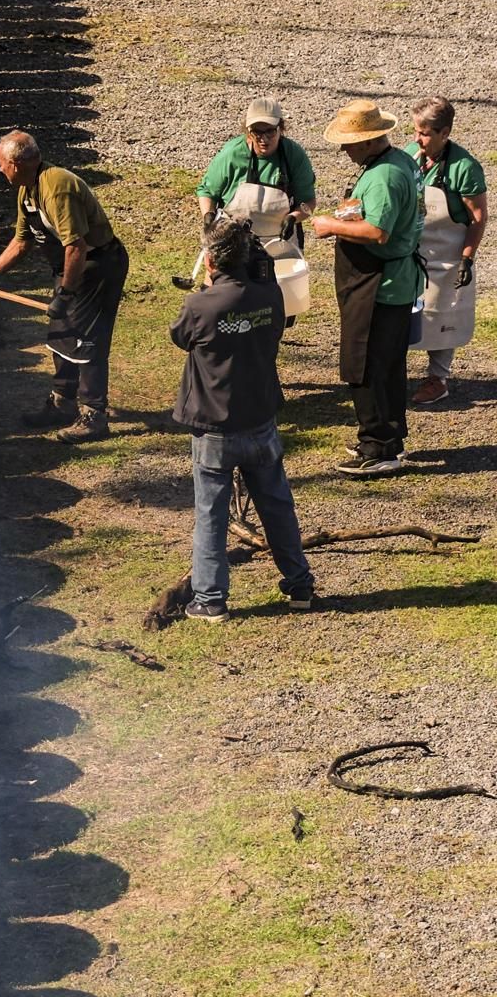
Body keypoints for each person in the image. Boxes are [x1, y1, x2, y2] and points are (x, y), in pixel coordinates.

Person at [170, 217, 314, 623]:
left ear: (211, 260)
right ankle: (299, 583)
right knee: (277, 506)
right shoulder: (272, 296)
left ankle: (210, 598)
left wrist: (208, 293)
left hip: (215, 427)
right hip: (261, 419)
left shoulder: (200, 305)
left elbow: (180, 337)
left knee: (211, 513)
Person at [0, 130, 129, 442]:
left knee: (86, 339)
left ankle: (94, 416)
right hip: (72, 268)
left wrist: (66, 293)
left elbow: (76, 247)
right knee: (61, 334)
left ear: (15, 164)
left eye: (1, 164)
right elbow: (21, 241)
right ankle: (62, 404)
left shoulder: (56, 189)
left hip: (98, 266)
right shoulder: (26, 191)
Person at [310, 100, 423, 478]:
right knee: (388, 364)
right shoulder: (397, 161)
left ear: (371, 140)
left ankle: (375, 446)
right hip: (394, 282)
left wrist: (330, 225)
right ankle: (391, 438)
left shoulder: (384, 176)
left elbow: (377, 231)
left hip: (380, 285)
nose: (344, 149)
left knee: (365, 364)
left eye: (349, 142)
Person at [409, 97, 487, 408]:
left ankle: (437, 378)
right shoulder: (410, 156)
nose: (418, 139)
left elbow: (478, 217)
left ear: (445, 133)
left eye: (425, 133)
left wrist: (467, 257)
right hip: (412, 252)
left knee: (442, 314)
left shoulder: (465, 168)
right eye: (416, 130)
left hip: (446, 254)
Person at [196, 97, 316, 251]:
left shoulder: (294, 155)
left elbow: (309, 203)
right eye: (257, 132)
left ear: (281, 128)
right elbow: (207, 192)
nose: (263, 139)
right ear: (248, 131)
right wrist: (208, 215)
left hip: (280, 243)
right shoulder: (232, 154)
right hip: (234, 243)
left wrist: (294, 217)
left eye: (270, 132)